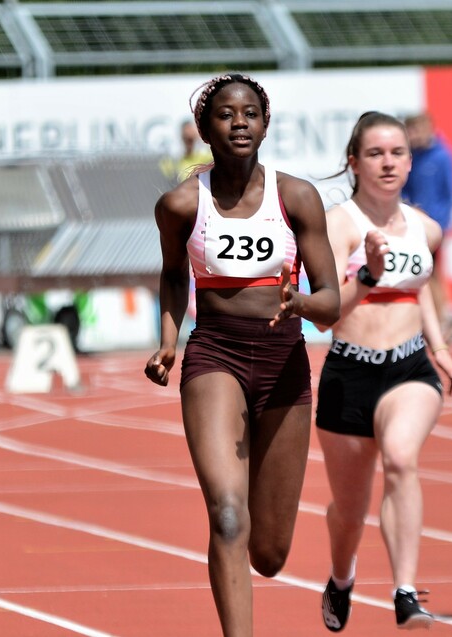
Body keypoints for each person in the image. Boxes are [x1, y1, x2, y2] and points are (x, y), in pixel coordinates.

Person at [144, 73, 341, 636]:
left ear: (265, 123)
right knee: (228, 516)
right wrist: (166, 341)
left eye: (250, 113)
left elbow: (330, 304)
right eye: (226, 115)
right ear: (206, 128)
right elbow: (171, 274)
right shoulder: (182, 203)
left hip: (284, 363)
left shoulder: (297, 197)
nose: (239, 123)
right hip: (214, 357)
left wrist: (298, 301)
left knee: (271, 553)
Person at [315, 111, 452, 631]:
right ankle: (341, 576)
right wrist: (368, 274)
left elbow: (420, 286)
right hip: (348, 373)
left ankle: (406, 591)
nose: (388, 163)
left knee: (402, 460)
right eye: (376, 153)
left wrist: (441, 352)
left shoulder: (426, 227)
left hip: (409, 368)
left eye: (398, 153)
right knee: (349, 508)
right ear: (353, 162)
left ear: (410, 162)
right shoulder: (337, 225)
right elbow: (326, 314)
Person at [401, 112, 452, 341]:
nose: (413, 135)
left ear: (428, 128)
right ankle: (436, 319)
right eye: (410, 131)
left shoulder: (443, 156)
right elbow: (406, 189)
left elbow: (449, 193)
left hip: (434, 226)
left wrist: (442, 225)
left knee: (433, 273)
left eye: (416, 130)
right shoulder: (412, 157)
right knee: (423, 273)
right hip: (413, 224)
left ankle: (444, 317)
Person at [161, 119, 214, 183]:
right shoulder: (174, 163)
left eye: (191, 138)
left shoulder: (207, 158)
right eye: (186, 137)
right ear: (182, 137)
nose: (189, 140)